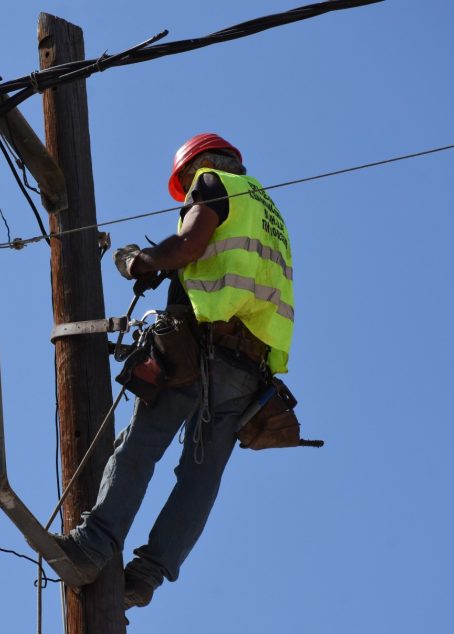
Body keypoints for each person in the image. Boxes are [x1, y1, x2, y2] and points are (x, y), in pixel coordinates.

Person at [52, 133, 296, 610]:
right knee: (200, 478)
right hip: (250, 371)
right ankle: (144, 577)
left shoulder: (212, 182)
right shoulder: (271, 213)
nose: (186, 192)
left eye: (184, 183)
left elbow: (187, 246)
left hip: (200, 349)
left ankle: (91, 548)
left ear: (198, 165)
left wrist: (137, 261)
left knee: (139, 446)